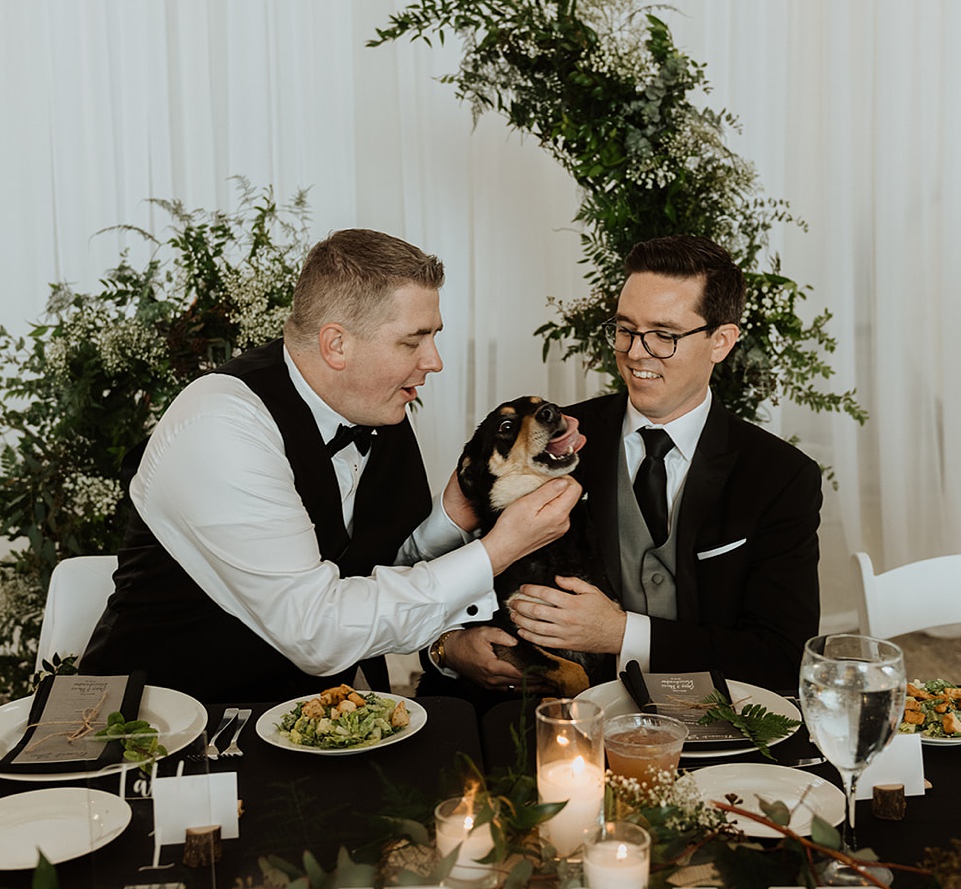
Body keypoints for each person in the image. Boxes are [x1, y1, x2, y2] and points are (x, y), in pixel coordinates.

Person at [81, 228, 580, 702]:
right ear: (336, 344)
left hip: (309, 716)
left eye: (435, 336)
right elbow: (317, 631)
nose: (434, 361)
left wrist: (450, 517)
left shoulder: (376, 408)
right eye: (413, 340)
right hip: (160, 723)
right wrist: (497, 550)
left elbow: (374, 570)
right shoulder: (221, 425)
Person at [432, 234, 821, 696]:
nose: (636, 352)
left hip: (718, 720)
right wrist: (448, 648)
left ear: (721, 342)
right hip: (560, 726)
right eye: (625, 329)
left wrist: (621, 633)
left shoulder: (780, 475)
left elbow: (782, 658)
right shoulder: (548, 446)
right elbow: (439, 584)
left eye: (663, 336)